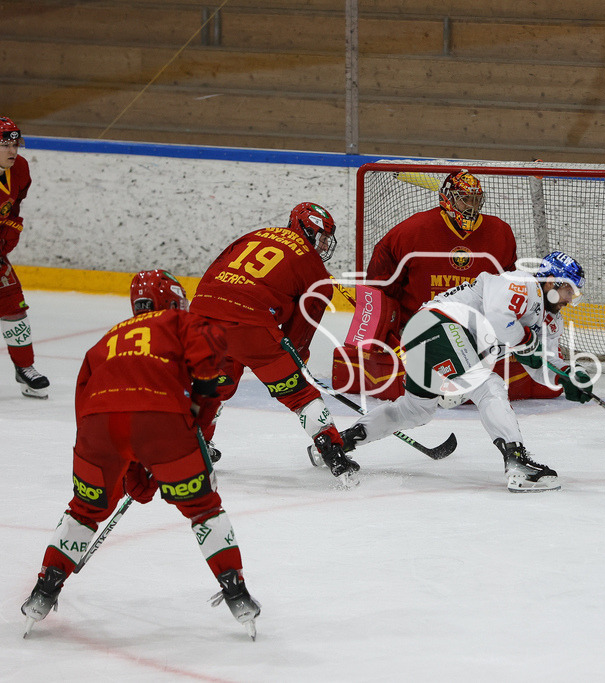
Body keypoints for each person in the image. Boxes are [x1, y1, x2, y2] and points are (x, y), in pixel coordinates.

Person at [21, 270, 260, 638]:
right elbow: (212, 351)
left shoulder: (106, 339)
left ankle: (44, 588)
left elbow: (85, 409)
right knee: (203, 509)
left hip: (97, 430)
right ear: (169, 301)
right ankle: (236, 591)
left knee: (83, 510)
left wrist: (126, 464)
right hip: (161, 421)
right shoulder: (179, 320)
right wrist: (200, 404)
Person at [320, 252, 593, 492]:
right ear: (551, 282)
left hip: (427, 338)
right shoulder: (521, 284)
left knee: (415, 410)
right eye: (568, 289)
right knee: (488, 385)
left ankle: (336, 445)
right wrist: (527, 345)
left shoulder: (551, 320)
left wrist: (568, 375)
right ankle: (517, 462)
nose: (570, 298)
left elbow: (546, 361)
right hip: (438, 325)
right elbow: (500, 321)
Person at [333, 169, 562, 401]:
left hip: (476, 333)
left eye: (475, 199)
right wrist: (383, 329)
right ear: (448, 199)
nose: (471, 206)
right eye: (465, 199)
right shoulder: (411, 231)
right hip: (422, 329)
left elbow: (506, 292)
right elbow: (381, 285)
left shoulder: (500, 233)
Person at [189, 202, 348, 466]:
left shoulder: (255, 235)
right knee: (299, 393)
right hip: (250, 325)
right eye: (320, 238)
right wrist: (292, 365)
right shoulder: (316, 272)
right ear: (307, 231)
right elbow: (299, 337)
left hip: (203, 316)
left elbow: (213, 272)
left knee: (213, 385)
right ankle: (332, 451)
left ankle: (195, 446)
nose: (322, 246)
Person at [0, 116, 49, 399]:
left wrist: (6, 239)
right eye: (5, 145)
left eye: (15, 144)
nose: (12, 151)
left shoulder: (20, 169)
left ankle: (25, 369)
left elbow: (14, 207)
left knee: (14, 306)